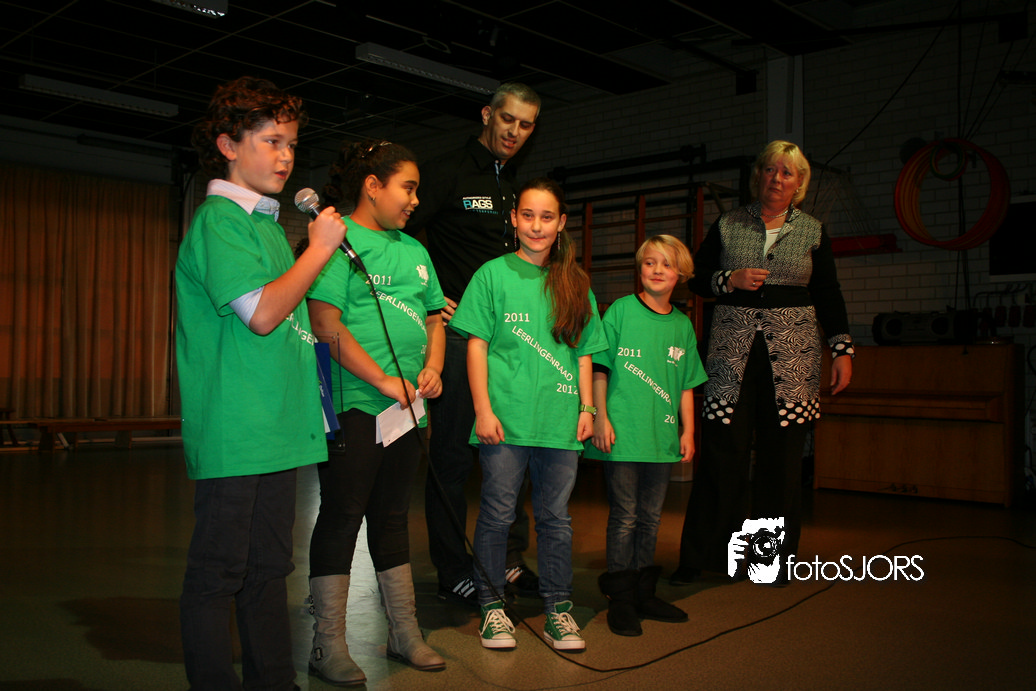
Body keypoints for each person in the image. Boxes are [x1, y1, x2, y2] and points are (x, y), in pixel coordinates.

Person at [176, 76, 345, 690]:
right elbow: (263, 313)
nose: (285, 156)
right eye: (271, 141)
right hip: (237, 431)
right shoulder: (219, 222)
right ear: (228, 144)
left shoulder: (270, 226)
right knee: (218, 572)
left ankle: (275, 682)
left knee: (270, 568)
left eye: (292, 144)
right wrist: (318, 251)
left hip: (278, 431)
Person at [670, 140, 854, 587]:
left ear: (799, 183)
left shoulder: (813, 231)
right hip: (731, 355)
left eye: (787, 173)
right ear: (759, 176)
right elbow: (696, 279)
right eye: (770, 170)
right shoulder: (728, 223)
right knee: (722, 455)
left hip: (793, 359)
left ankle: (766, 562)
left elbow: (828, 293)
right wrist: (728, 279)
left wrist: (842, 349)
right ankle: (705, 556)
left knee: (782, 461)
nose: (777, 178)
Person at [305, 140, 447, 685]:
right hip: (354, 403)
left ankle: (404, 632)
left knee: (391, 517)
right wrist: (385, 380)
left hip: (407, 410)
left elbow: (434, 317)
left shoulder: (415, 250)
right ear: (372, 185)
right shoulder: (338, 241)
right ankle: (328, 644)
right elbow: (325, 324)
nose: (415, 199)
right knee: (343, 515)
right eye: (407, 187)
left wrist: (433, 366)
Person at [449, 178, 607, 651]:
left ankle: (559, 610)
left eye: (546, 217)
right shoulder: (491, 275)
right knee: (498, 515)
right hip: (506, 421)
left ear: (561, 224)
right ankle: (492, 608)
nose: (536, 226)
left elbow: (584, 353)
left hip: (561, 423)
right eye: (528, 215)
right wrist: (483, 410)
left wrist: (587, 407)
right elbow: (476, 347)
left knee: (556, 519)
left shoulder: (576, 283)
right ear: (514, 220)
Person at [407, 83, 543, 604]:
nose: (514, 131)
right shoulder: (447, 171)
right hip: (461, 338)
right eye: (507, 119)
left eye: (525, 124)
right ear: (487, 114)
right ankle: (452, 568)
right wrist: (429, 297)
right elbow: (400, 229)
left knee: (511, 452)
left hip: (510, 341)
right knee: (452, 458)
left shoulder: (514, 186)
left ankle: (508, 560)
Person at [584, 235, 707, 636]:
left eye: (666, 264)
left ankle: (643, 592)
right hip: (622, 435)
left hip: (661, 439)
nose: (657, 270)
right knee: (625, 516)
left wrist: (689, 430)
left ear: (681, 274)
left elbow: (686, 384)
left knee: (651, 518)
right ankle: (620, 598)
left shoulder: (682, 325)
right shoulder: (621, 311)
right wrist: (600, 417)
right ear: (639, 269)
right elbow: (599, 367)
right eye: (650, 262)